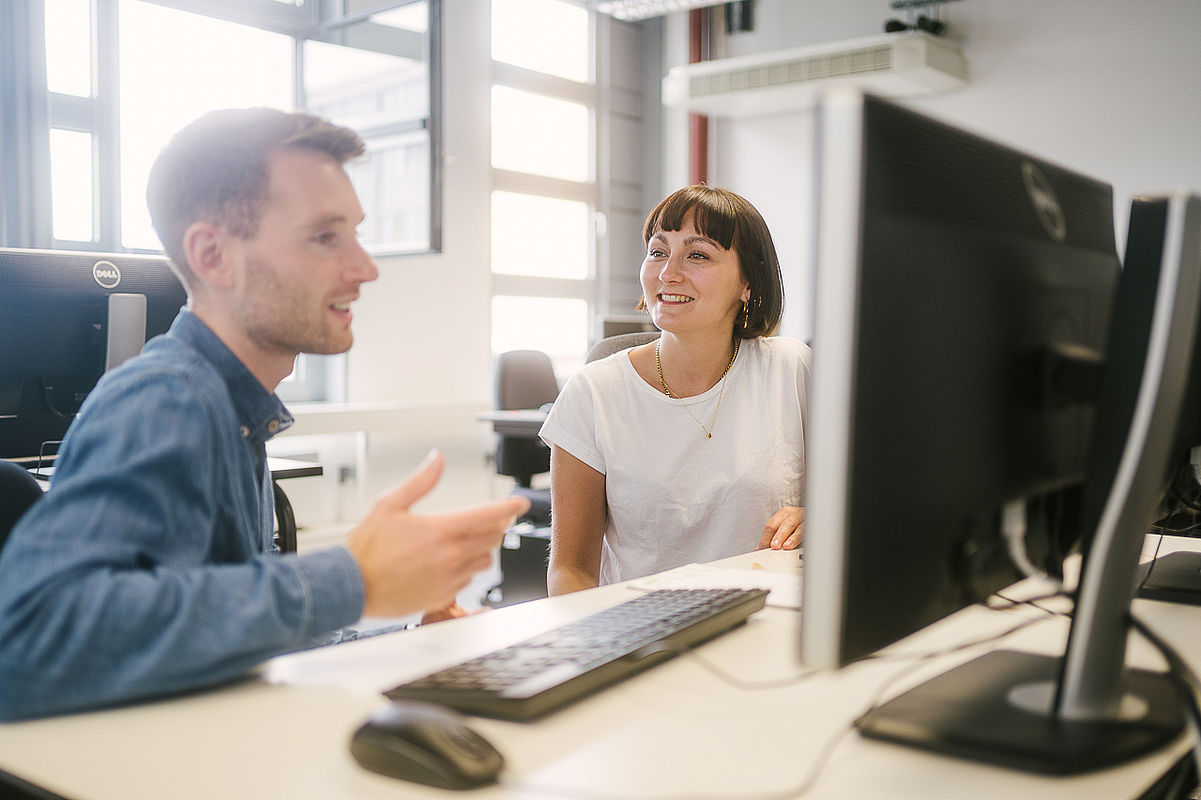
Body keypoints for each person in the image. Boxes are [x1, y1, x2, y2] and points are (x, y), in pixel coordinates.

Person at [0, 108, 528, 721]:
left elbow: (220, 641)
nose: (365, 267)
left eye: (356, 234)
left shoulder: (233, 410)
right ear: (213, 255)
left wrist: (412, 640)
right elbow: (32, 645)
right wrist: (354, 577)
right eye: (326, 237)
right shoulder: (168, 401)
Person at [541, 185, 810, 595]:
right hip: (642, 633)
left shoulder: (792, 369)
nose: (668, 273)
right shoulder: (592, 392)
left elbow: (863, 503)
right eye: (658, 251)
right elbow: (571, 570)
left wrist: (822, 518)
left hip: (772, 619)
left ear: (748, 283)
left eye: (697, 254)